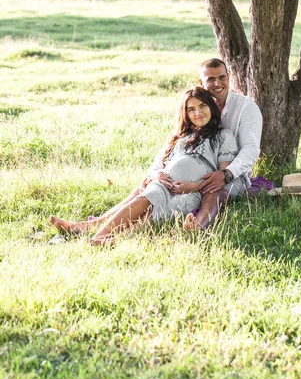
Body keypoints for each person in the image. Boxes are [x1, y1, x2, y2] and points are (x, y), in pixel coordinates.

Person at [49, 87, 242, 246]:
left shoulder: (223, 135)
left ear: (211, 107)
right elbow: (165, 163)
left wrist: (195, 186)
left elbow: (220, 177)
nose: (198, 113)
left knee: (153, 214)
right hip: (166, 184)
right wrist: (159, 175)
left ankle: (116, 240)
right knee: (145, 199)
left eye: (202, 106)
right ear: (186, 113)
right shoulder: (183, 137)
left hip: (192, 190)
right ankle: (99, 235)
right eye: (191, 109)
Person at [182, 58, 263, 230]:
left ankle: (197, 226)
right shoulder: (197, 108)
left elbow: (251, 149)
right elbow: (176, 140)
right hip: (198, 170)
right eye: (211, 79)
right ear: (201, 82)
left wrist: (226, 174)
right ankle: (112, 222)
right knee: (153, 187)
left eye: (222, 77)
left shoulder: (246, 107)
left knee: (214, 193)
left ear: (229, 77)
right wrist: (155, 172)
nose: (217, 83)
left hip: (232, 173)